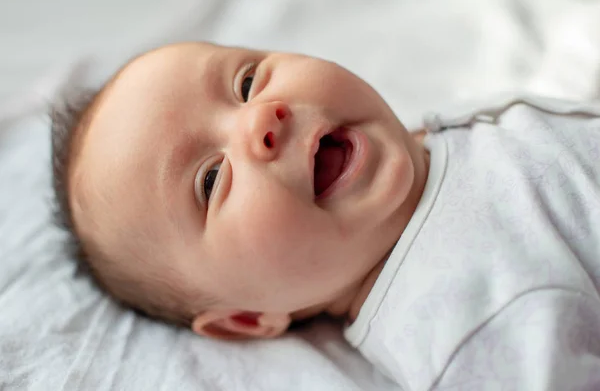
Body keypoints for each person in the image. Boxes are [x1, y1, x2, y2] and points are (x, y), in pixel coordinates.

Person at [51, 42, 600, 389]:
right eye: (211, 180)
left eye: (246, 83)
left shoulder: (429, 141)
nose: (260, 120)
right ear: (246, 320)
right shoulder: (465, 320)